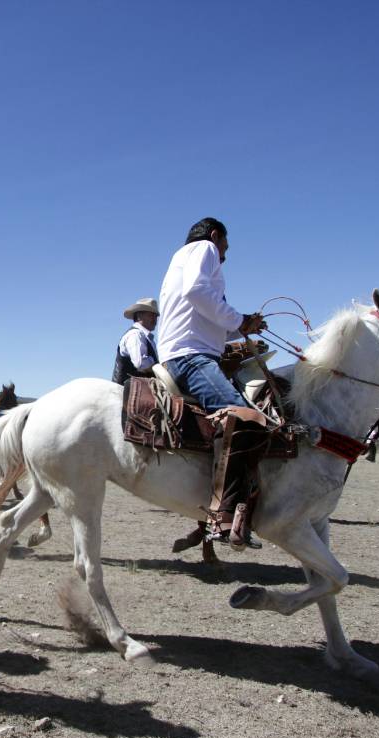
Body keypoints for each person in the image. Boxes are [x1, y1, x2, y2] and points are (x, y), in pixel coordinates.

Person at [157, 217, 268, 548]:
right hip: (191, 357)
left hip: (186, 351)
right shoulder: (203, 248)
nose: (224, 255)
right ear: (216, 236)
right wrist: (239, 320)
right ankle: (224, 516)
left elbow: (203, 311)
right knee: (244, 419)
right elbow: (197, 292)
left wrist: (241, 327)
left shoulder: (183, 259)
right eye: (226, 247)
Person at [111, 298, 159, 385]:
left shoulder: (146, 337)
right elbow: (141, 364)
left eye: (156, 316)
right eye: (151, 315)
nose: (155, 319)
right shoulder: (135, 334)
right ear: (139, 315)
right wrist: (161, 368)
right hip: (125, 389)